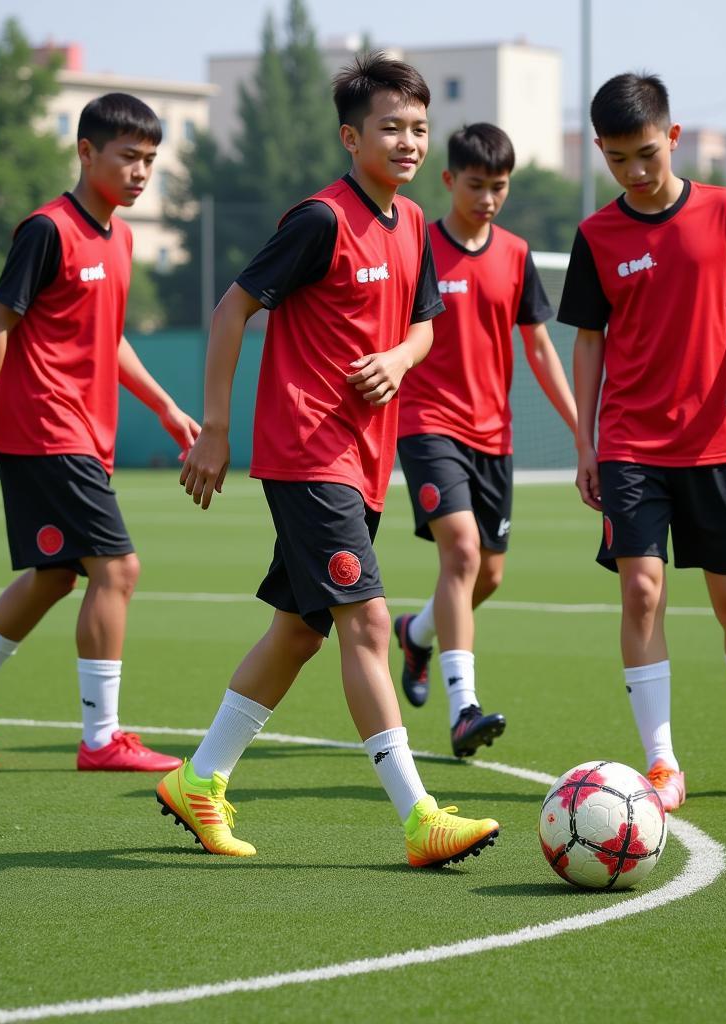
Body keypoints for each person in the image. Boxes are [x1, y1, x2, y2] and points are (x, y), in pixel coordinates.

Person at [160, 53, 500, 867]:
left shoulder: (415, 223)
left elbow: (424, 325)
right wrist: (214, 425)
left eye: (419, 128)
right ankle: (419, 818)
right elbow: (233, 307)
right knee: (368, 622)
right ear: (352, 138)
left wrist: (401, 359)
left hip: (361, 459)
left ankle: (199, 780)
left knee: (297, 633)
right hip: (306, 453)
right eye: (391, 127)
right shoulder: (318, 220)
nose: (409, 141)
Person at [0, 93, 198, 772]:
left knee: (53, 575)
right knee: (118, 569)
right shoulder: (46, 230)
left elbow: (107, 340)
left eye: (150, 161)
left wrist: (163, 405)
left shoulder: (123, 237)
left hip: (80, 432)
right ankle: (102, 738)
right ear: (86, 153)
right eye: (128, 157)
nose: (141, 172)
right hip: (46, 429)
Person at [557, 72, 726, 810]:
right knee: (642, 590)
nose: (635, 170)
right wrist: (587, 443)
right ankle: (661, 762)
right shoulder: (597, 235)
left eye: (648, 154)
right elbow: (589, 343)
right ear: (601, 151)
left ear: (675, 138)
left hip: (715, 443)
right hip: (631, 443)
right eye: (618, 157)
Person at [392, 123, 577, 758]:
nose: (489, 198)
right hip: (425, 425)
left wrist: (583, 428)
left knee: (488, 576)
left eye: (500, 187)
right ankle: (463, 708)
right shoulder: (417, 245)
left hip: (494, 436)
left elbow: (540, 348)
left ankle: (416, 634)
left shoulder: (518, 255)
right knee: (463, 553)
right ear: (449, 180)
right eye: (477, 185)